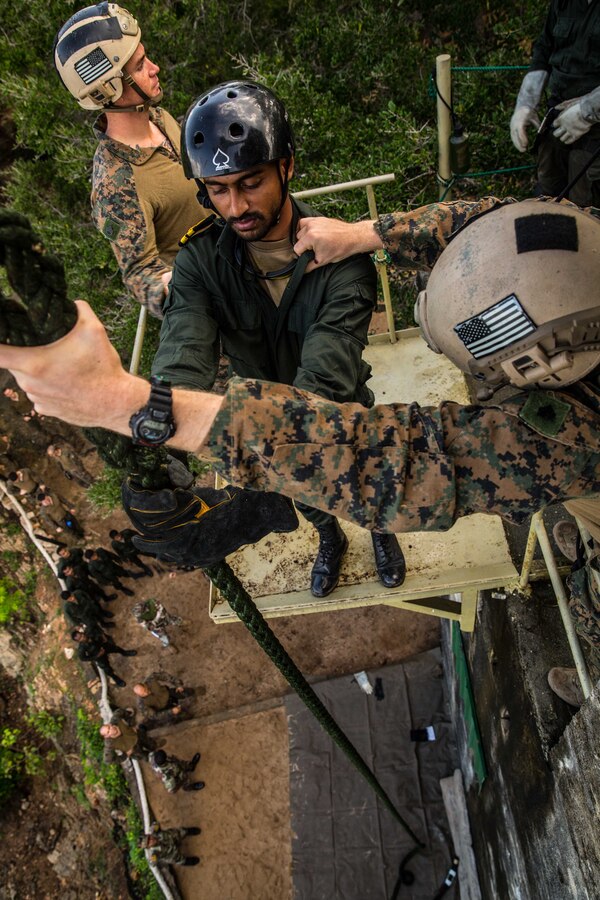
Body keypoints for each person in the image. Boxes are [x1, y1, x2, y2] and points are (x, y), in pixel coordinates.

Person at [5, 198, 600, 530]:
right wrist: (372, 231)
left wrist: (128, 404)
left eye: (482, 370)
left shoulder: (570, 438)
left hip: (319, 413)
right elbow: (502, 222)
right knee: (321, 509)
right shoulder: (582, 245)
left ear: (545, 370)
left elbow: (385, 463)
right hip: (283, 409)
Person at [150, 79, 406, 598]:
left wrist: (259, 483)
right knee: (315, 502)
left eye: (250, 182)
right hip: (267, 415)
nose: (236, 206)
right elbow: (184, 350)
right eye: (218, 190)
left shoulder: (340, 261)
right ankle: (329, 537)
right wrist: (159, 442)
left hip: (336, 408)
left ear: (285, 167)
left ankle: (380, 532)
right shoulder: (201, 261)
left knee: (364, 474)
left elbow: (326, 377)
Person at [54, 3, 207, 317]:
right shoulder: (114, 184)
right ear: (108, 88)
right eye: (139, 66)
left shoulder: (159, 118)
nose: (154, 68)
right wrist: (176, 288)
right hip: (215, 307)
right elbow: (140, 272)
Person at [510, 1, 600, 206]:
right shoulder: (562, 3)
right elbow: (544, 48)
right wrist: (525, 103)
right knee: (547, 202)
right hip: (558, 123)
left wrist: (587, 111)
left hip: (596, 137)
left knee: (585, 208)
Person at [72, 627, 137, 688]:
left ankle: (125, 653)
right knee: (107, 669)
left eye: (81, 635)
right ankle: (116, 679)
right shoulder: (81, 649)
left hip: (103, 647)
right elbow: (83, 658)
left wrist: (103, 636)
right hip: (99, 656)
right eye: (80, 638)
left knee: (116, 648)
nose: (83, 637)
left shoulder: (89, 633)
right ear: (78, 641)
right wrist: (96, 656)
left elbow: (95, 629)